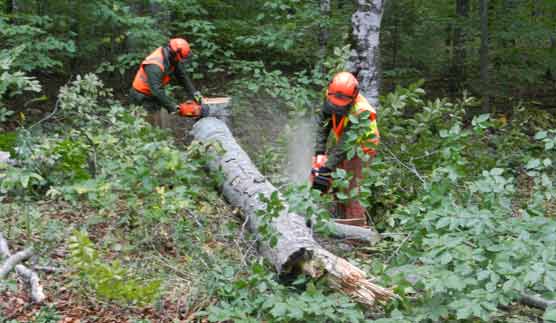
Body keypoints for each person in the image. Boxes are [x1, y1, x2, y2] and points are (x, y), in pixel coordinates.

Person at [311, 72, 380, 227]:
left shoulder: (362, 111)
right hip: (343, 143)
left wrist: (326, 168)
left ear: (352, 97)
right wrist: (319, 152)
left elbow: (345, 144)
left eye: (341, 103)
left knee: (351, 190)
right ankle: (341, 225)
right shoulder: (331, 94)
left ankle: (357, 237)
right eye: (334, 101)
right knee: (336, 182)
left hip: (361, 149)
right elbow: (324, 122)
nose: (336, 105)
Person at [129, 38, 208, 125]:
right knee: (146, 125)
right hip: (142, 97)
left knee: (158, 122)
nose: (181, 61)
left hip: (153, 95)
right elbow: (157, 91)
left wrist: (194, 93)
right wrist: (173, 107)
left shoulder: (172, 58)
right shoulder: (155, 65)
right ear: (175, 54)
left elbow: (182, 77)